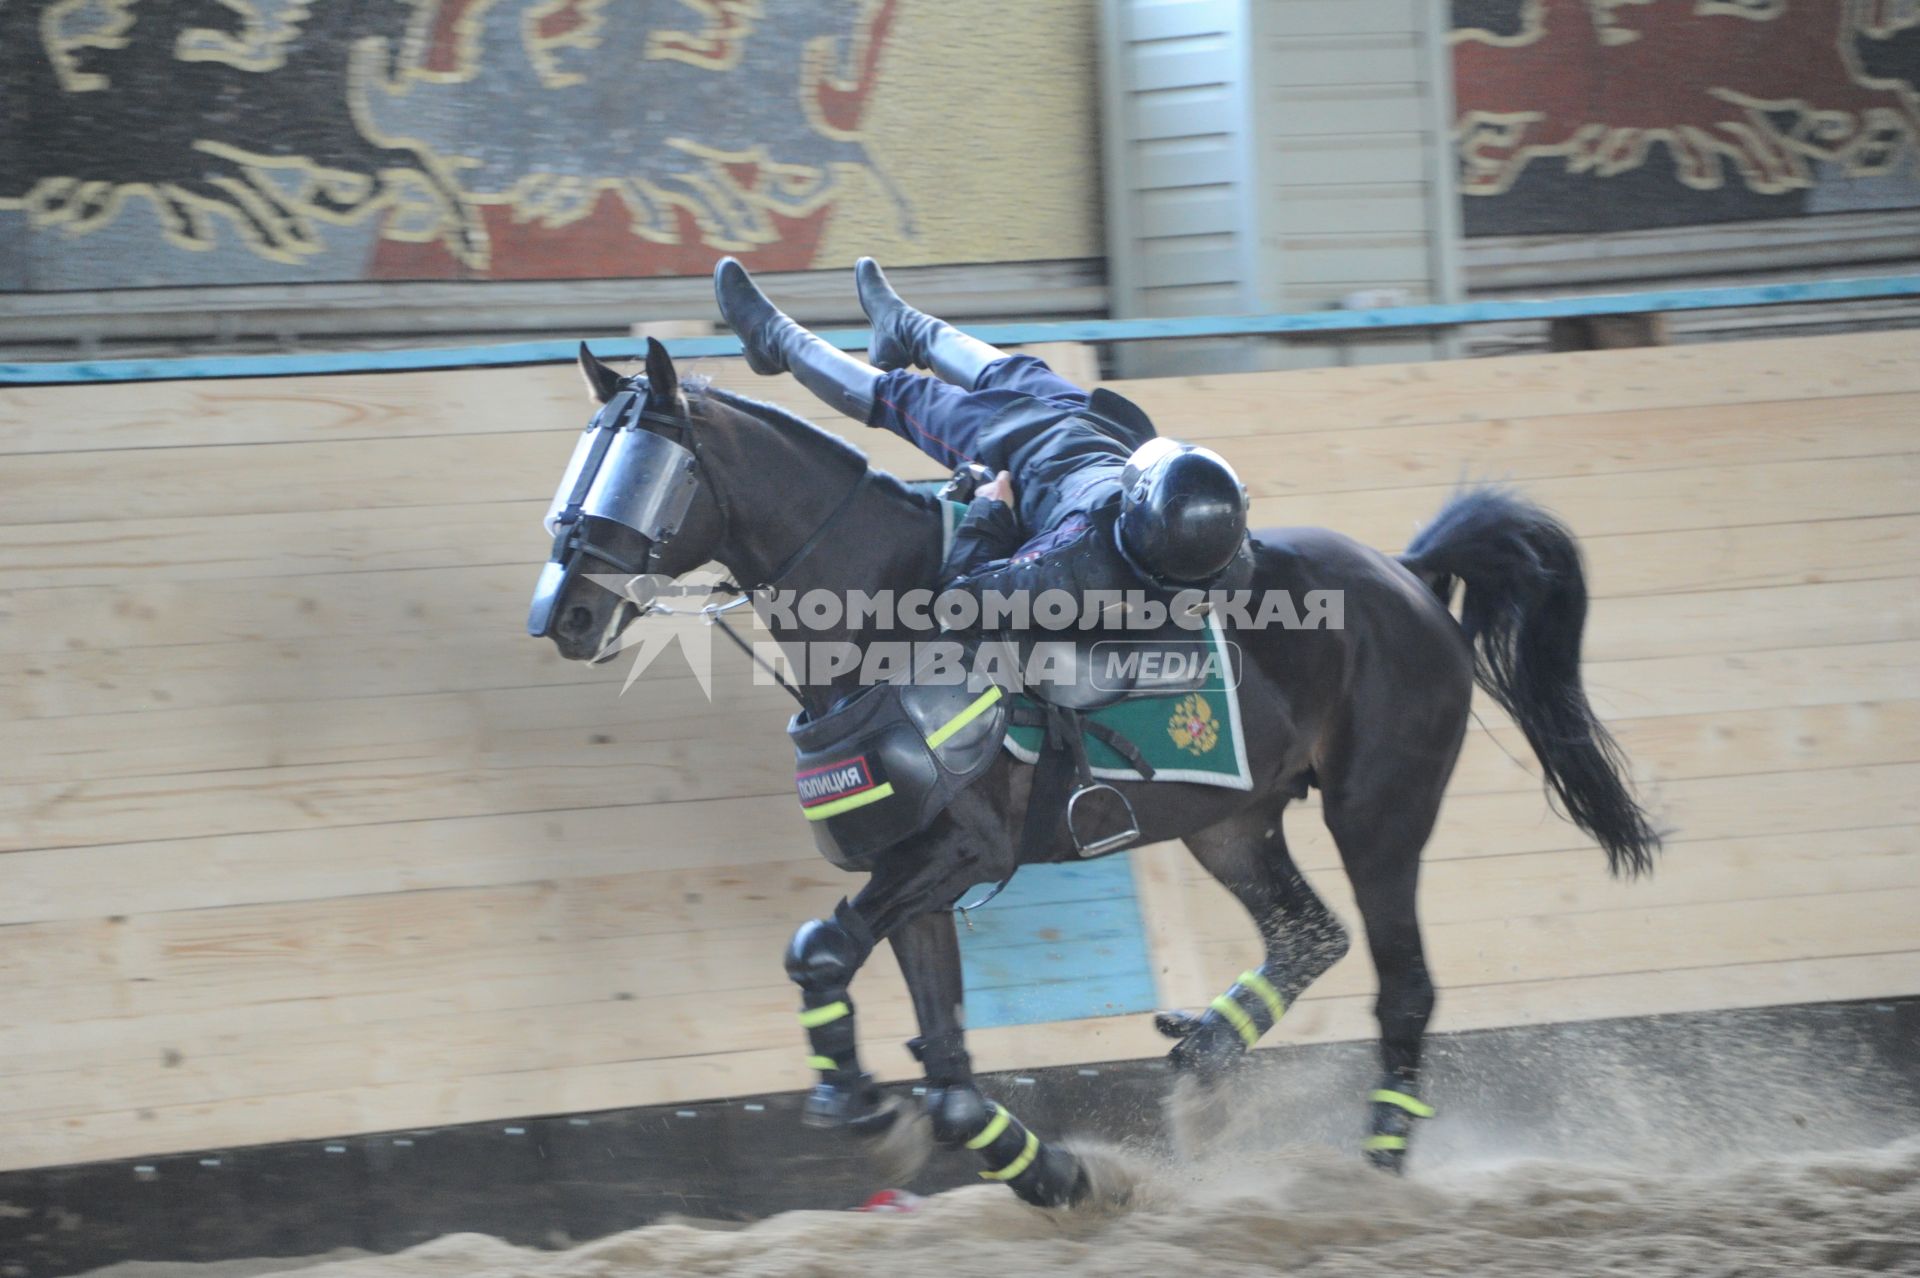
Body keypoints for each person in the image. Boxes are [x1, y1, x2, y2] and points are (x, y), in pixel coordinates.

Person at [713, 257, 1249, 611]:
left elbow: (962, 600)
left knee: (907, 398)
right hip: (1100, 438)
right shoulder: (1226, 554)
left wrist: (992, 511)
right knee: (1016, 372)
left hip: (1033, 459)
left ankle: (774, 342)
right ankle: (904, 328)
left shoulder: (1068, 567)